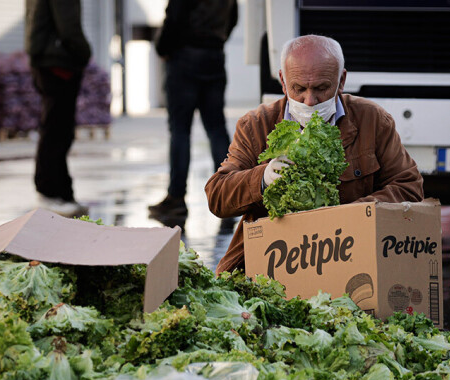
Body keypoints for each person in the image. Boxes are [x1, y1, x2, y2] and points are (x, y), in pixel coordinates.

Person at [205, 34, 424, 275]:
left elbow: (409, 186)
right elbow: (217, 196)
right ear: (282, 81)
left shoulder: (372, 119)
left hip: (348, 256)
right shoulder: (256, 125)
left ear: (341, 81)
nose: (310, 101)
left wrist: (352, 215)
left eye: (321, 88)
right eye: (298, 89)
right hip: (273, 261)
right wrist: (261, 179)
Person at [148, 0, 238, 218]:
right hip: (214, 56)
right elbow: (233, 18)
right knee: (216, 128)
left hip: (185, 57)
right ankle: (229, 194)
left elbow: (175, 17)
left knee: (180, 130)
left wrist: (162, 48)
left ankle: (176, 198)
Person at [25, 0, 91, 217]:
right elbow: (68, 26)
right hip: (57, 62)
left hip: (47, 60)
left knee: (56, 128)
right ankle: (50, 193)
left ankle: (61, 193)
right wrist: (84, 53)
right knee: (57, 130)